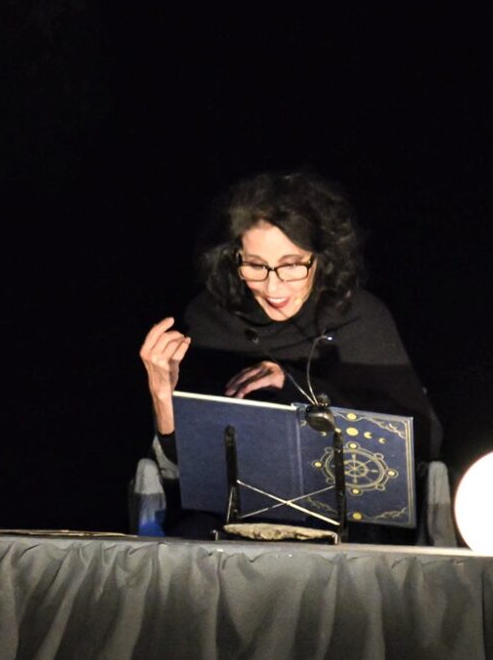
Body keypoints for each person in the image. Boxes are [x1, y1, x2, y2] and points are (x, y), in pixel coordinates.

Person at [136, 169, 443, 537]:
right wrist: (162, 397)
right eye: (255, 265)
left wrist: (295, 386)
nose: (273, 285)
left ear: (320, 257)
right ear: (233, 257)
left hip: (345, 526)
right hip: (232, 525)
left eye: (291, 265)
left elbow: (423, 444)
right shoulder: (207, 319)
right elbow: (184, 471)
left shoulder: (358, 317)